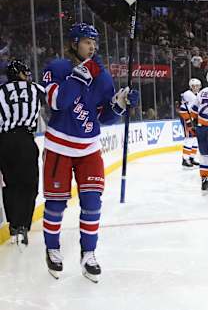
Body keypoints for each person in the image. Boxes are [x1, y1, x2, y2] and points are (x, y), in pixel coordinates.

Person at [41, 23, 139, 282]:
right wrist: (80, 75)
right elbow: (57, 102)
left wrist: (119, 105)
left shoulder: (102, 76)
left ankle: (89, 253)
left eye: (94, 42)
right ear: (74, 43)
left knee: (92, 204)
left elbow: (104, 117)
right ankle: (52, 248)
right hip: (58, 146)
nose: (92, 47)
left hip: (89, 148)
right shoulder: (58, 68)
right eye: (86, 41)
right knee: (55, 204)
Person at [0, 60, 44, 247]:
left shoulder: (1, 91)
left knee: (11, 184)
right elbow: (57, 99)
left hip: (4, 141)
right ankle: (23, 225)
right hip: (25, 141)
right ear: (18, 73)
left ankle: (13, 225)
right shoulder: (35, 88)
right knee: (30, 184)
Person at [178, 78, 201, 168]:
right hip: (186, 117)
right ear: (191, 86)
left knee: (195, 138)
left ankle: (191, 158)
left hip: (194, 118)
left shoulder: (198, 94)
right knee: (189, 138)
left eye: (197, 86)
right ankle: (185, 159)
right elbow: (184, 109)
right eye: (193, 86)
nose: (195, 87)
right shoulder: (188, 94)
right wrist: (187, 121)